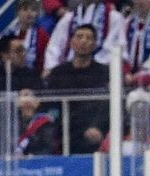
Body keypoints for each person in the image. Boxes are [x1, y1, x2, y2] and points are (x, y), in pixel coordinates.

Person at [44, 24, 110, 153]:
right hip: (66, 130)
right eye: (79, 37)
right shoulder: (58, 73)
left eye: (89, 38)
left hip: (95, 130)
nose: (84, 41)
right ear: (71, 42)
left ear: (95, 44)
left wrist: (98, 127)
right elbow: (51, 107)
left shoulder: (104, 72)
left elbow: (106, 107)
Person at [43, 0, 125, 76]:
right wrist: (51, 69)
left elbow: (116, 49)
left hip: (100, 72)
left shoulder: (114, 17)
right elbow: (54, 47)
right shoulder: (69, 18)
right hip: (70, 71)